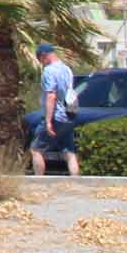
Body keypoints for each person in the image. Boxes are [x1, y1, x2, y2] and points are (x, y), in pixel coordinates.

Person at [31, 41, 79, 178]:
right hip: (69, 115)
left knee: (36, 149)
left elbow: (51, 96)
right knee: (69, 152)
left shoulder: (49, 71)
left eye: (40, 59)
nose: (41, 63)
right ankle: (76, 181)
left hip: (56, 116)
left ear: (44, 56)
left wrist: (47, 121)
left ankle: (39, 181)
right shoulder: (67, 69)